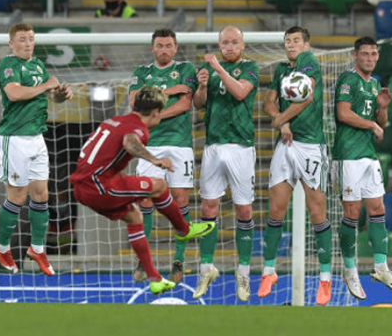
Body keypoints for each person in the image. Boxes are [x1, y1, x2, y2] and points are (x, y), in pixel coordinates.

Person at [69, 86, 216, 295]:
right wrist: (154, 160)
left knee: (134, 216)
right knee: (159, 186)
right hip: (98, 186)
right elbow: (130, 142)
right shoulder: (139, 128)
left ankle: (155, 279)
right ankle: (183, 229)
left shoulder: (115, 120)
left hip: (84, 187)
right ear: (156, 112)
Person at [0, 23, 73, 276]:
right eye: (23, 39)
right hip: (13, 138)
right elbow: (14, 94)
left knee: (41, 195)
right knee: (17, 196)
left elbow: (50, 98)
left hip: (37, 136)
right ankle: (2, 247)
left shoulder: (38, 65)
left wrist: (61, 93)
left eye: (31, 39)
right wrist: (47, 85)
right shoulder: (8, 65)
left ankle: (37, 249)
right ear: (11, 44)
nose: (28, 43)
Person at [260, 26, 333, 305]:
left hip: (311, 147)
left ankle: (324, 279)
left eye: (296, 41)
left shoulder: (309, 62)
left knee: (317, 212)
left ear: (306, 44)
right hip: (286, 146)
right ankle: (269, 271)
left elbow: (307, 96)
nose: (291, 45)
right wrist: (283, 120)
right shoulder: (281, 70)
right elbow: (269, 101)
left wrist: (280, 120)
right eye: (287, 41)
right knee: (276, 209)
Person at [191, 26, 259, 301]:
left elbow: (241, 93)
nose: (229, 46)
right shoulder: (211, 71)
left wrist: (218, 68)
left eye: (234, 42)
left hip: (240, 146)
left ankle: (243, 272)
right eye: (224, 43)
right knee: (208, 206)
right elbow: (199, 104)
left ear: (242, 44)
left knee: (244, 210)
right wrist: (203, 86)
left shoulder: (251, 67)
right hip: (213, 145)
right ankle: (206, 268)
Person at [333, 36, 392, 300]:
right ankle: (350, 270)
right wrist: (373, 125)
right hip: (348, 154)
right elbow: (343, 113)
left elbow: (380, 120)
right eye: (365, 54)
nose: (370, 58)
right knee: (352, 212)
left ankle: (381, 266)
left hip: (368, 154)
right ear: (355, 55)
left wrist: (382, 110)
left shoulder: (374, 84)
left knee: (377, 208)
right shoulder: (348, 80)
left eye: (374, 54)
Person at [129, 28, 197, 285]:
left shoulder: (187, 69)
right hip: (150, 145)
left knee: (180, 201)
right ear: (152, 48)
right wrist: (170, 92)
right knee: (145, 200)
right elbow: (135, 103)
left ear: (176, 48)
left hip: (179, 145)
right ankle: (143, 262)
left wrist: (153, 112)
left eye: (169, 45)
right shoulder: (141, 72)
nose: (165, 49)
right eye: (160, 45)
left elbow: (184, 104)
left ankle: (178, 261)